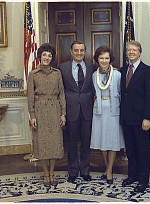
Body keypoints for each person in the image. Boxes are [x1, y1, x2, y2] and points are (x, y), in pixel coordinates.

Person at [120, 40, 150, 192]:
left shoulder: (148, 71)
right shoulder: (122, 71)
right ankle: (132, 175)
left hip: (141, 119)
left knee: (143, 150)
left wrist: (147, 118)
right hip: (126, 118)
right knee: (130, 149)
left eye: (134, 50)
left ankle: (143, 180)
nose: (131, 52)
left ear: (140, 52)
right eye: (129, 50)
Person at [27, 44, 66, 187]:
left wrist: (63, 114)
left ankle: (52, 172)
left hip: (55, 109)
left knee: (54, 143)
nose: (46, 58)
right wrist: (32, 116)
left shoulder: (57, 73)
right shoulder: (33, 74)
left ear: (52, 58)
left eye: (49, 55)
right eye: (44, 55)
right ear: (39, 56)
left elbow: (62, 93)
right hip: (40, 111)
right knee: (42, 143)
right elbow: (30, 96)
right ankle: (45, 173)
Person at [59, 41, 96, 183]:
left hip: (88, 110)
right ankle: (73, 171)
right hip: (71, 110)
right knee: (72, 143)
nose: (79, 53)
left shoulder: (93, 67)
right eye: (76, 50)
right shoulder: (62, 68)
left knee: (86, 142)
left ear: (85, 51)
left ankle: (86, 171)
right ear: (71, 51)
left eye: (81, 50)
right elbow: (58, 89)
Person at [90, 46, 125, 184]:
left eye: (106, 58)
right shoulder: (94, 75)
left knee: (112, 141)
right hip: (99, 112)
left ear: (110, 59)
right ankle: (106, 166)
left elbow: (122, 95)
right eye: (101, 58)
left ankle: (109, 169)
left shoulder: (117, 75)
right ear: (97, 59)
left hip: (113, 112)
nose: (104, 61)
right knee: (102, 141)